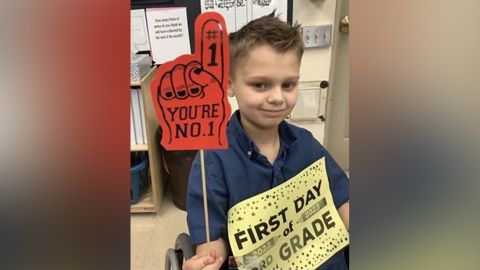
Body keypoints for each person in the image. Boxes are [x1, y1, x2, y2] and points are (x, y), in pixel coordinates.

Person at [183, 12, 349, 270]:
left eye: (288, 84)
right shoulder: (212, 161)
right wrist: (208, 261)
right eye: (260, 85)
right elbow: (211, 241)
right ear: (229, 85)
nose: (277, 97)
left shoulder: (305, 144)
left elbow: (341, 199)